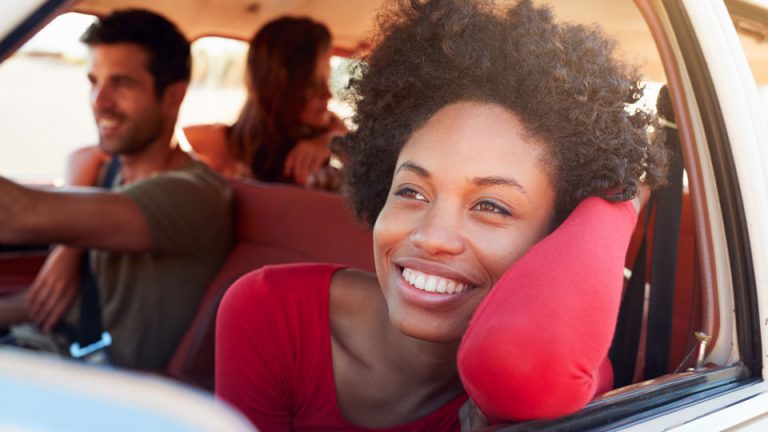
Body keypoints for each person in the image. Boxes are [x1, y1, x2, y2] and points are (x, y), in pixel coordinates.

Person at [214, 0, 668, 430]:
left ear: (558, 236)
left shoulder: (558, 360)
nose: (431, 236)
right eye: (411, 191)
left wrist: (620, 198)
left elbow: (531, 367)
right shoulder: (269, 311)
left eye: (491, 205)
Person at [0, 9, 232, 370]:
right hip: (40, 347)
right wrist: (69, 245)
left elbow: (17, 215)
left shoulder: (194, 195)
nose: (99, 100)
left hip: (91, 382)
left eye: (121, 83)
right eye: (94, 81)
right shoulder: (111, 175)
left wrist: (68, 239)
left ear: (173, 97)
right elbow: (44, 302)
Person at [72, 15, 345, 188]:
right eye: (313, 85)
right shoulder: (209, 142)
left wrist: (332, 142)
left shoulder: (335, 147)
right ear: (279, 87)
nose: (328, 95)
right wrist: (71, 245)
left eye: (327, 82)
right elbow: (118, 151)